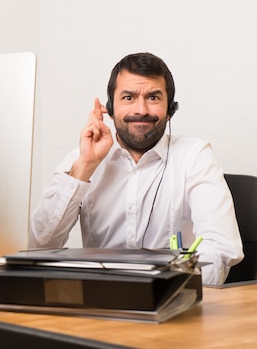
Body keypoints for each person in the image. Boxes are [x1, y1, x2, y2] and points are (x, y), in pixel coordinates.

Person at [29, 52, 243, 285]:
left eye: (153, 97)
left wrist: (169, 294)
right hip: (101, 300)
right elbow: (40, 245)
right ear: (109, 109)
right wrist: (84, 168)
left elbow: (219, 249)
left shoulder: (195, 155)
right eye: (129, 97)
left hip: (171, 300)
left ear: (170, 109)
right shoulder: (82, 159)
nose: (141, 110)